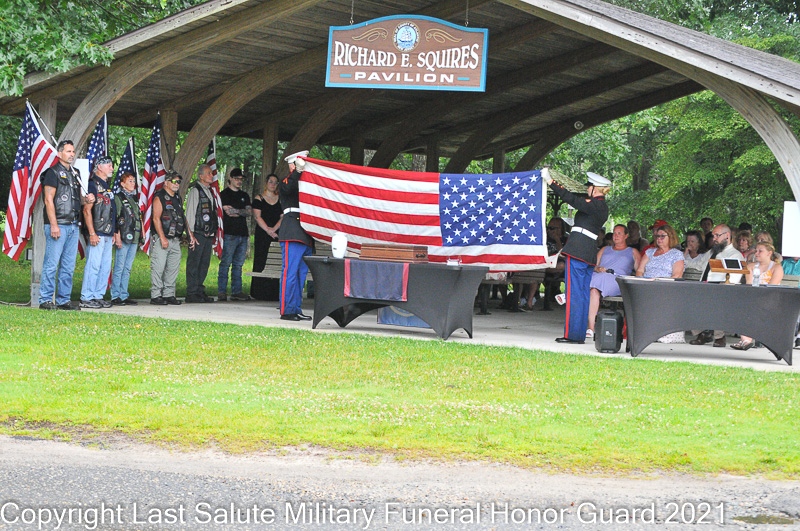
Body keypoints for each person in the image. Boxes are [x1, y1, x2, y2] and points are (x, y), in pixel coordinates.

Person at [542, 168, 610, 344]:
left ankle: (572, 335)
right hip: (587, 252)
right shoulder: (600, 206)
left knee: (574, 294)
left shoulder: (595, 205)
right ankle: (578, 334)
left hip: (579, 251)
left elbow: (571, 199)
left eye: (589, 187)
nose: (587, 189)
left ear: (595, 189)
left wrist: (551, 182)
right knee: (582, 295)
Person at [38, 140, 95, 310]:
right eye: (68, 151)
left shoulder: (75, 173)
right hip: (59, 224)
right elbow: (48, 200)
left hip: (73, 224)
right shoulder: (52, 173)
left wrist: (88, 199)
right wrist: (54, 225)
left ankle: (64, 300)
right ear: (59, 153)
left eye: (73, 151)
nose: (72, 154)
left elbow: (77, 199)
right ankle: (45, 299)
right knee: (51, 264)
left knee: (68, 265)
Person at [689, 224, 744, 347]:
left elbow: (734, 279)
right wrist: (682, 260)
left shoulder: (735, 255)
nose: (714, 239)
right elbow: (698, 265)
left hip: (722, 289)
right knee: (690, 299)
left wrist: (722, 289)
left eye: (717, 235)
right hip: (704, 286)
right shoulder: (711, 252)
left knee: (717, 301)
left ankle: (720, 336)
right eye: (713, 236)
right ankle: (702, 334)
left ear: (727, 236)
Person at [586, 224, 641, 339]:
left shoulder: (633, 251)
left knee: (602, 277)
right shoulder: (604, 249)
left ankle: (571, 293)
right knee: (594, 291)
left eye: (619, 233)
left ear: (626, 236)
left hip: (617, 281)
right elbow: (593, 266)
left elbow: (640, 271)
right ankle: (591, 328)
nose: (616, 236)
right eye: (614, 233)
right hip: (599, 280)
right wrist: (598, 269)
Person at [279, 151, 314, 321]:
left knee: (301, 275)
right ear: (293, 165)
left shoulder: (307, 183)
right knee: (290, 273)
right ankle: (287, 310)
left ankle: (296, 308)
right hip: (292, 230)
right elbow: (288, 188)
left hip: (305, 233)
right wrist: (297, 172)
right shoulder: (287, 180)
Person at [732, 241, 784, 350]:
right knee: (742, 306)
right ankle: (746, 340)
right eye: (756, 251)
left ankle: (748, 339)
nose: (756, 253)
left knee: (752, 306)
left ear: (769, 253)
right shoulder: (751, 266)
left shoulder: (777, 267)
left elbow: (772, 287)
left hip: (771, 298)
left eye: (760, 251)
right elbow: (749, 284)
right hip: (754, 297)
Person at [79, 156, 116, 309]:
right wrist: (92, 233)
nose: (112, 168)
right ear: (99, 167)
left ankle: (98, 295)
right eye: (109, 165)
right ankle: (86, 296)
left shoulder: (107, 187)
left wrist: (114, 231)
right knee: (93, 265)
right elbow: (87, 210)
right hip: (97, 232)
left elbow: (112, 211)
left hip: (108, 232)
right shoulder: (92, 185)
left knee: (105, 266)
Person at [185, 164, 219, 303]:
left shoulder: (209, 191)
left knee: (204, 263)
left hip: (208, 234)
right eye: (208, 173)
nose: (212, 175)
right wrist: (191, 234)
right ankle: (192, 292)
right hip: (197, 233)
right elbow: (190, 213)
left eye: (211, 173)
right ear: (201, 176)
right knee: (194, 263)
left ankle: (199, 290)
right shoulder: (195, 191)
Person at [150, 171, 185, 306]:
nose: (177, 184)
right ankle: (156, 295)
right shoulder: (159, 197)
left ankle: (169, 294)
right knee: (158, 267)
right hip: (162, 238)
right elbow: (156, 218)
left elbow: (182, 217)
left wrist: (189, 234)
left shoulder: (177, 198)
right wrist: (162, 237)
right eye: (174, 181)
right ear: (166, 182)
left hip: (175, 239)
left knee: (172, 268)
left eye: (178, 182)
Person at [217, 168, 252, 301]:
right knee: (226, 262)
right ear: (230, 178)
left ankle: (236, 291)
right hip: (229, 233)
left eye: (241, 179)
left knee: (238, 264)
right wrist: (240, 211)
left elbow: (249, 212)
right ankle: (222, 291)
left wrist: (236, 211)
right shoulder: (224, 194)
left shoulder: (244, 195)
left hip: (243, 233)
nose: (239, 181)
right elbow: (227, 212)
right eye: (236, 178)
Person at [110, 172, 141, 305]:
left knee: (127, 267)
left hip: (134, 236)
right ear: (122, 184)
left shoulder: (133, 199)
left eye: (134, 181)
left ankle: (123, 294)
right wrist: (117, 236)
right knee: (119, 266)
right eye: (130, 181)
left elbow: (138, 217)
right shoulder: (119, 198)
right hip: (123, 235)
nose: (133, 183)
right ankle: (115, 295)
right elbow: (116, 217)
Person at [251, 173, 283, 300]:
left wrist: (274, 229)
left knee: (275, 261)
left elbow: (283, 216)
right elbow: (257, 217)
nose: (273, 184)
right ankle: (258, 292)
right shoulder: (259, 198)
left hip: (276, 233)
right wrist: (268, 230)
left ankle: (273, 292)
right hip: (263, 233)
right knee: (261, 259)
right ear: (266, 183)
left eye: (275, 182)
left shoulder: (280, 199)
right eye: (271, 181)